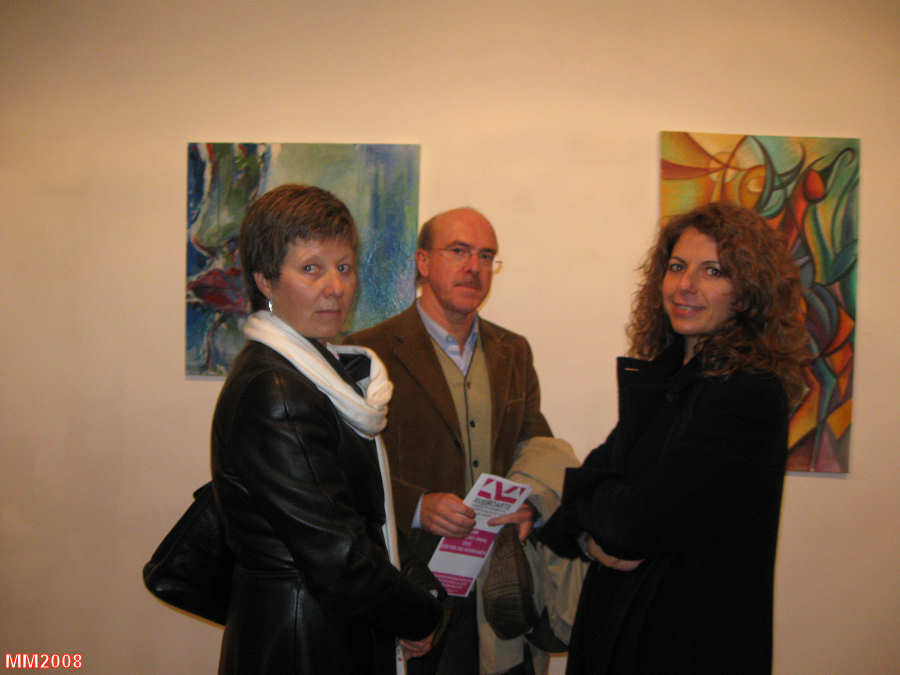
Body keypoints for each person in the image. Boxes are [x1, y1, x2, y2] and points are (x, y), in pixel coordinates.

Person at [536, 202, 809, 675]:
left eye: (713, 272)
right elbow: (578, 495)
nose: (686, 285)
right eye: (678, 266)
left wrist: (597, 512)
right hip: (623, 637)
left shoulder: (746, 392)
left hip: (687, 646)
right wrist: (590, 531)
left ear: (748, 293)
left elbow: (632, 524)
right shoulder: (663, 379)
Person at [210, 184, 442, 675]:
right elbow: (337, 554)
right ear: (266, 281)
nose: (335, 286)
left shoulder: (318, 372)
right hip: (303, 644)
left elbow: (357, 516)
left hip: (321, 628)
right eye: (311, 268)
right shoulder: (277, 388)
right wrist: (419, 614)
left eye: (344, 267)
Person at [345, 207, 577, 675]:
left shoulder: (514, 351)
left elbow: (534, 439)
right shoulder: (368, 352)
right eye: (458, 251)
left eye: (486, 256)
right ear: (423, 262)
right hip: (415, 582)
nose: (474, 267)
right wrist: (416, 505)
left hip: (502, 583)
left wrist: (531, 502)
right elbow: (348, 465)